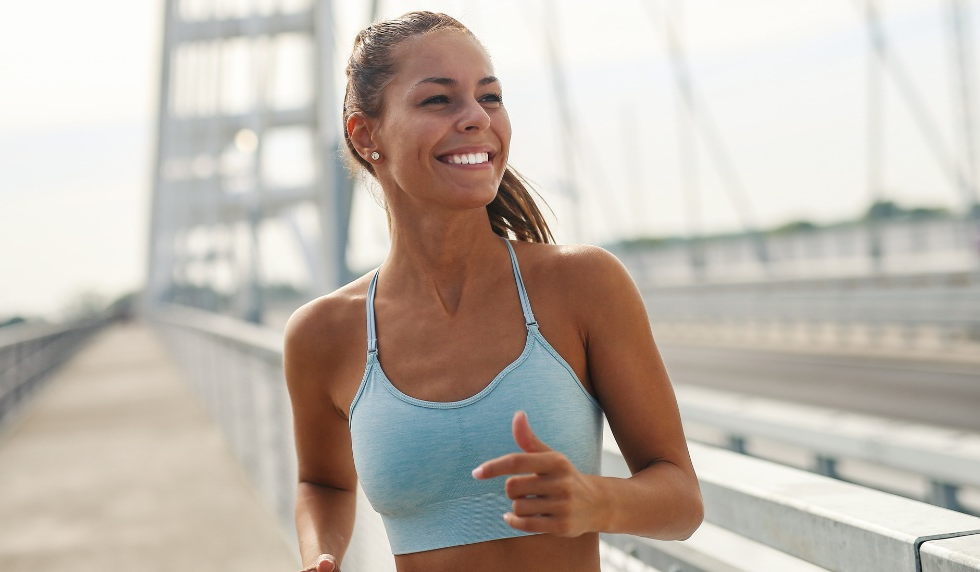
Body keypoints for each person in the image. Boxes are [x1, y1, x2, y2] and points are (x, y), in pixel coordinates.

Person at [284, 11, 703, 572]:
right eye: (439, 100)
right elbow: (323, 482)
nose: (477, 118)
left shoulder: (583, 285)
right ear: (366, 136)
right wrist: (321, 555)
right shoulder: (323, 333)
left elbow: (682, 501)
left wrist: (596, 500)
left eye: (491, 97)